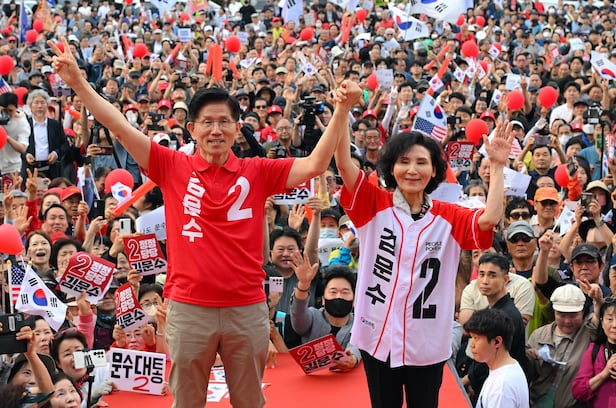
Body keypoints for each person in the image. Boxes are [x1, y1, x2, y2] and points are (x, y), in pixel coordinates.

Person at [48, 37, 362, 408]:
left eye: (224, 122)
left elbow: (315, 164)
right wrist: (78, 83)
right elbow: (119, 126)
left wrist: (341, 110)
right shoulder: (171, 165)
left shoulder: (258, 171)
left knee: (250, 402)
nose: (216, 130)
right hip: (188, 308)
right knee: (187, 402)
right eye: (207, 122)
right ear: (192, 129)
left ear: (237, 128)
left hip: (246, 308)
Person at [333, 115, 514, 406]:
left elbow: (490, 218)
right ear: (391, 168)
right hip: (378, 337)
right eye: (404, 161)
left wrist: (497, 165)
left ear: (434, 171)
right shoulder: (373, 203)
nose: (412, 170)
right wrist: (343, 109)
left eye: (421, 162)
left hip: (427, 342)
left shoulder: (449, 215)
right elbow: (344, 164)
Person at [290, 255, 360, 372]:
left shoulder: (359, 325)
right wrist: (303, 284)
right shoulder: (313, 317)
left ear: (354, 300)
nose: (338, 297)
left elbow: (356, 346)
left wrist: (352, 359)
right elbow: (298, 313)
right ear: (323, 299)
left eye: (345, 292)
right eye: (333, 292)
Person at [464, 308, 530, 408]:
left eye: (476, 338)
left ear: (497, 342)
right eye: (471, 338)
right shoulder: (506, 370)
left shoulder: (501, 387)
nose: (471, 345)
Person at [572, 298, 616, 406]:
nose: (615, 325)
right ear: (602, 322)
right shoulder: (594, 350)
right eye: (610, 319)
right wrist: (605, 373)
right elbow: (578, 391)